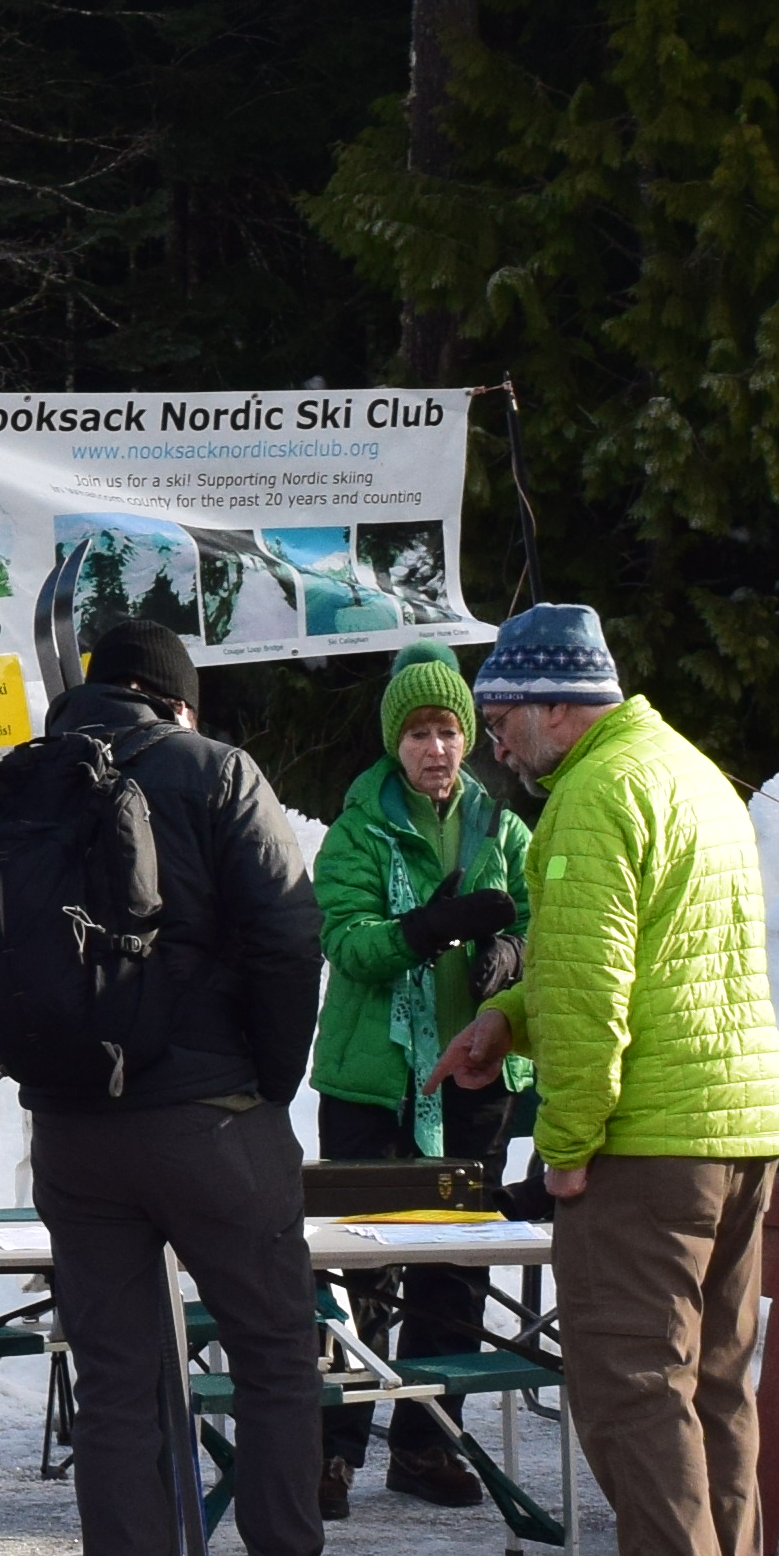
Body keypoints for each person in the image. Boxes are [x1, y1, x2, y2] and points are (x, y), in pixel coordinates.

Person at [0, 619, 376, 1556]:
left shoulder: (17, 786)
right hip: (212, 1121)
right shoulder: (217, 772)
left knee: (117, 1392)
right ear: (178, 701)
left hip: (74, 1134)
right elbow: (292, 938)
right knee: (280, 1366)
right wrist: (264, 1084)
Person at [449, 604, 779, 1556]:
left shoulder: (592, 796)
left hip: (649, 1144)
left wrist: (565, 1146)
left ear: (559, 707)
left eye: (503, 720)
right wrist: (508, 1014)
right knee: (709, 1387)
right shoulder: (687, 769)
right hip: (739, 1131)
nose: (496, 743)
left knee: (630, 1390)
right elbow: (647, 962)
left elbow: (597, 997)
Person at [305, 647, 523, 1511]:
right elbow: (348, 943)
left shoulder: (503, 829)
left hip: (473, 1076)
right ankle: (332, 1448)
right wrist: (427, 927)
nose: (436, 747)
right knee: (355, 1271)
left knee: (456, 1269)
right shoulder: (356, 830)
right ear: (396, 742)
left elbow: (544, 921)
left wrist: (513, 954)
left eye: (449, 730)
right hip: (373, 1083)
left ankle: (428, 1444)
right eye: (420, 732)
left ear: (469, 738)